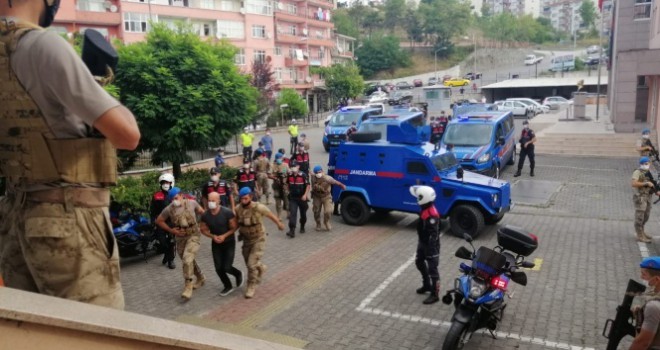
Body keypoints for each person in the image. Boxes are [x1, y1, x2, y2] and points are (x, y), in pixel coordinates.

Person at [0, 1, 141, 310]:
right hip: (66, 220)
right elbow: (127, 135)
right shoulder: (43, 44)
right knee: (94, 333)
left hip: (14, 220)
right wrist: (96, 90)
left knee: (39, 332)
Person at [155, 187, 207, 300]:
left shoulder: (192, 203)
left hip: (194, 235)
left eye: (176, 198)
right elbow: (158, 220)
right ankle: (201, 277)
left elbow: (204, 213)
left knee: (187, 259)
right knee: (188, 260)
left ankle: (188, 285)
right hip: (180, 238)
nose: (174, 201)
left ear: (181, 195)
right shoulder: (169, 209)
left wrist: (203, 225)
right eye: (172, 199)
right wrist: (171, 230)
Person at [235, 187, 285, 298]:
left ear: (251, 197)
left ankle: (251, 285)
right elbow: (235, 223)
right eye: (241, 199)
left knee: (251, 264)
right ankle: (261, 267)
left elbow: (271, 216)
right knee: (249, 262)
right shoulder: (238, 209)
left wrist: (279, 224)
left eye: (245, 198)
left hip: (259, 238)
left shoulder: (259, 207)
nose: (243, 201)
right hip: (246, 240)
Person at [199, 192, 243, 297]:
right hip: (216, 243)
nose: (211, 203)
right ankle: (227, 285)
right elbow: (203, 230)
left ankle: (238, 274)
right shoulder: (205, 215)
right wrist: (213, 236)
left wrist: (224, 236)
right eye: (209, 200)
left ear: (219, 201)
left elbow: (235, 227)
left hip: (229, 242)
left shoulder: (227, 212)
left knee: (227, 267)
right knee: (218, 268)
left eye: (213, 201)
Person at [409, 186, 441, 305]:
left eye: (419, 197)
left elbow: (434, 235)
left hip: (431, 246)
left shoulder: (432, 215)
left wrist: (430, 249)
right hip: (423, 243)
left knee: (433, 270)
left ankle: (435, 294)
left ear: (424, 198)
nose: (417, 199)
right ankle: (426, 284)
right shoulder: (424, 207)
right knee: (419, 262)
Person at [629, 256, 660, 349]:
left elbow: (642, 342)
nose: (641, 277)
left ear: (657, 280)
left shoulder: (653, 306)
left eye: (644, 274)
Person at [151, 173, 177, 269]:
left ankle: (171, 260)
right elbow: (152, 211)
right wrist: (152, 222)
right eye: (163, 182)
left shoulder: (175, 195)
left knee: (171, 242)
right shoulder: (157, 196)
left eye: (167, 182)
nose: (165, 184)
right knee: (162, 242)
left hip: (172, 222)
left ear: (171, 183)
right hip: (160, 222)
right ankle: (167, 254)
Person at [632, 157, 660, 243]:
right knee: (640, 215)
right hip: (640, 197)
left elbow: (653, 185)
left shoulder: (648, 172)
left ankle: (642, 230)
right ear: (642, 164)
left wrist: (657, 191)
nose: (647, 165)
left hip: (648, 196)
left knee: (646, 215)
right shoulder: (637, 172)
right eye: (646, 163)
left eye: (648, 163)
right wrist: (645, 183)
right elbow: (633, 183)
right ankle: (639, 234)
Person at [311, 165, 346, 231]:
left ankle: (326, 222)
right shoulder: (313, 177)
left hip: (326, 196)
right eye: (316, 173)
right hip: (317, 196)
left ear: (322, 171)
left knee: (328, 211)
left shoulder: (327, 178)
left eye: (319, 172)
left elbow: (336, 182)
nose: (318, 174)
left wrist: (342, 186)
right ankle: (318, 223)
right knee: (316, 211)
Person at [286, 159, 310, 238]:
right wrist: (287, 191)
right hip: (293, 198)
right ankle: (292, 230)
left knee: (303, 215)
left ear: (298, 166)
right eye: (292, 166)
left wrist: (305, 195)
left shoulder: (303, 175)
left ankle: (302, 226)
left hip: (302, 198)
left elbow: (308, 185)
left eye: (294, 166)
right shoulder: (289, 175)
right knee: (292, 213)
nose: (293, 168)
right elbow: (287, 184)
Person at [270, 153, 289, 219]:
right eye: (278, 158)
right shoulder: (273, 166)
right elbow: (269, 175)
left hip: (284, 185)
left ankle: (288, 213)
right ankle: (279, 215)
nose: (279, 160)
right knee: (278, 201)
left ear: (282, 158)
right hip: (276, 186)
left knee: (286, 200)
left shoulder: (285, 165)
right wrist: (275, 177)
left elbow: (289, 173)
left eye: (280, 158)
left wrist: (285, 178)